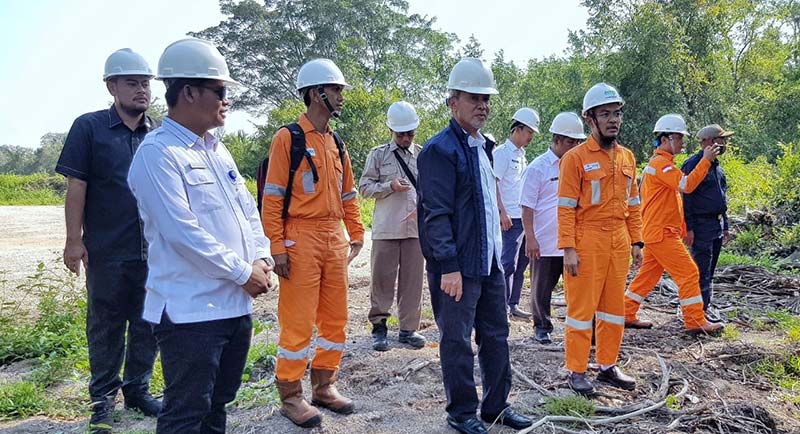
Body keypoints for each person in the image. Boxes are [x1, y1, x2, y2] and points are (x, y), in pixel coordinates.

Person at [127, 38, 274, 434]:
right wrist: (243, 271)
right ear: (188, 92)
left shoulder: (217, 150)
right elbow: (181, 233)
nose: (226, 101)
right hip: (190, 313)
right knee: (186, 414)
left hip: (233, 306)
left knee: (217, 407)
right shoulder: (158, 154)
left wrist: (261, 257)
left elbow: (247, 211)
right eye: (220, 92)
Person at [417, 58, 533, 434]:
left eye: (486, 99)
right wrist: (448, 265)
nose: (482, 105)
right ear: (453, 102)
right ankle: (462, 412)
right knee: (456, 341)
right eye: (473, 98)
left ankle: (495, 407)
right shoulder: (439, 150)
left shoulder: (484, 147)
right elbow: (435, 215)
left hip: (489, 264)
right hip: (457, 268)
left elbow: (485, 204)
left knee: (496, 336)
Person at [55, 48, 161, 433]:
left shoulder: (159, 133)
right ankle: (102, 398)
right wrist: (73, 240)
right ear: (111, 86)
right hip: (108, 248)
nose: (141, 90)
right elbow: (77, 186)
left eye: (145, 83)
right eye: (132, 83)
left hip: (153, 250)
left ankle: (138, 390)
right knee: (106, 325)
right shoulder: (90, 128)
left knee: (148, 322)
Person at [261, 58, 365, 428]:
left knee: (336, 318)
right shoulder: (287, 138)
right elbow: (272, 196)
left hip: (333, 236)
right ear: (314, 93)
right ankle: (291, 394)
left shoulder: (337, 142)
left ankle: (325, 385)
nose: (340, 97)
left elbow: (348, 193)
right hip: (299, 236)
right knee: (298, 321)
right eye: (335, 90)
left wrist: (356, 232)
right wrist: (277, 246)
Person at [557, 83, 644, 396]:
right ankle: (577, 370)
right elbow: (565, 208)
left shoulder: (627, 158)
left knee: (612, 309)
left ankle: (608, 366)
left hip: (619, 240)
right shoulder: (575, 159)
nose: (613, 120)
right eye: (605, 114)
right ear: (589, 119)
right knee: (582, 311)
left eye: (616, 113)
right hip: (587, 240)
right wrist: (568, 248)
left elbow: (634, 202)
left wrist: (637, 241)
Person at [623, 114, 725, 334]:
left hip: (657, 232)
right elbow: (687, 186)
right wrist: (705, 160)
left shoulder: (662, 164)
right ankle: (695, 320)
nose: (682, 143)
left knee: (647, 276)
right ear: (667, 139)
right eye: (679, 138)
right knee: (689, 273)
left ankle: (626, 312)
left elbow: (671, 202)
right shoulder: (661, 165)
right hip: (661, 234)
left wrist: (682, 228)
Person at [359, 101, 426, 352]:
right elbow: (364, 187)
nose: (406, 138)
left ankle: (409, 329)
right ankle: (379, 327)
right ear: (391, 131)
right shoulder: (378, 155)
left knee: (413, 281)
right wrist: (389, 187)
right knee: (382, 279)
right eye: (401, 134)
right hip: (387, 227)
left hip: (415, 229)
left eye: (410, 133)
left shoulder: (422, 154)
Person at [520, 112, 585, 344]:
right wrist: (531, 237)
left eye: (577, 142)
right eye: (570, 142)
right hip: (545, 240)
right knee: (542, 287)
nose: (574, 146)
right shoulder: (539, 167)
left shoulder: (578, 166)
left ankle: (578, 327)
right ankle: (541, 325)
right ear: (556, 140)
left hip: (571, 240)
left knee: (576, 287)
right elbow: (526, 206)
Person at [681, 124, 735, 323]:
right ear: (710, 142)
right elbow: (685, 198)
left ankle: (704, 309)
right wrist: (689, 228)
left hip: (716, 226)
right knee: (700, 272)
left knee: (709, 272)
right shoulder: (692, 164)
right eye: (722, 139)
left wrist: (726, 226)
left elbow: (722, 198)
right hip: (700, 227)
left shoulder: (717, 167)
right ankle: (696, 315)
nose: (725, 143)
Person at [493, 108, 539, 319]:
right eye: (529, 132)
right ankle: (500, 307)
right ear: (518, 128)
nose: (531, 137)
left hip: (523, 217)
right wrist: (502, 212)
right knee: (507, 264)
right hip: (509, 217)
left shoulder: (522, 156)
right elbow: (495, 184)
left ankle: (513, 303)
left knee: (522, 263)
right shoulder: (502, 153)